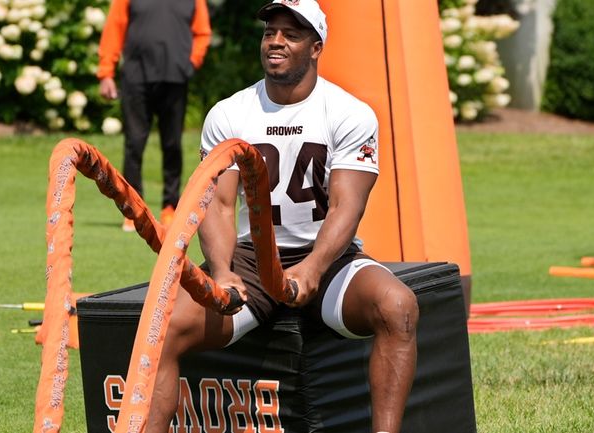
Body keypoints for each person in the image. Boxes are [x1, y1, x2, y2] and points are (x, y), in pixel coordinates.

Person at [146, 1, 419, 433]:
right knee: (161, 331)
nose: (276, 42)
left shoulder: (349, 113)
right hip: (253, 259)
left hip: (329, 258)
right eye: (270, 32)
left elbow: (348, 206)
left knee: (398, 307)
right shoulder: (230, 112)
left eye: (291, 35)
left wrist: (313, 267)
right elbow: (216, 204)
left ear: (316, 47)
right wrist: (221, 269)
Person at [97, 0, 212, 231]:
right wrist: (106, 71)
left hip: (175, 77)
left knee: (172, 145)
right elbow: (114, 28)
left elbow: (203, 32)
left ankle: (170, 207)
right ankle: (133, 210)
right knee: (134, 144)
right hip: (136, 78)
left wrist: (193, 61)